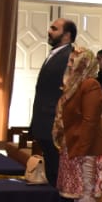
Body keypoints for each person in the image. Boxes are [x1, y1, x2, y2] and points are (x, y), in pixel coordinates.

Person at [54, 48, 102, 202]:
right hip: (73, 146)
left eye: (73, 60)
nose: (69, 64)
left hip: (86, 149)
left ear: (83, 63)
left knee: (86, 193)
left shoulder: (90, 84)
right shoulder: (74, 84)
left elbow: (89, 122)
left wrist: (80, 150)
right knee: (77, 194)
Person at [30, 18, 76, 187]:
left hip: (54, 122)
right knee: (50, 168)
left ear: (67, 35)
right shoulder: (55, 53)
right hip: (43, 120)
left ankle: (57, 201)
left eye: (54, 29)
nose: (49, 31)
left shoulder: (70, 56)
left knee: (56, 171)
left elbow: (67, 91)